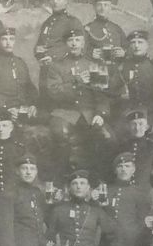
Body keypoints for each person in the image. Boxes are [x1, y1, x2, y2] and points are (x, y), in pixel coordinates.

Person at [42, 28, 118, 180]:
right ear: (65, 44)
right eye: (70, 40)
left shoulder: (94, 64)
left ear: (83, 43)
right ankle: (63, 177)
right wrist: (76, 82)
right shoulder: (56, 66)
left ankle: (101, 178)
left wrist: (100, 114)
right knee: (60, 133)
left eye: (77, 40)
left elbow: (102, 95)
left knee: (108, 137)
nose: (74, 43)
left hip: (89, 112)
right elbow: (54, 92)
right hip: (64, 112)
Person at [116, 30, 153, 157]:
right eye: (133, 42)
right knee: (116, 140)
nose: (136, 46)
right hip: (129, 114)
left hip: (151, 114)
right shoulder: (123, 66)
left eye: (140, 42)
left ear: (147, 45)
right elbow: (114, 89)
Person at [0, 27, 39, 124]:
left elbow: (30, 87)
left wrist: (32, 104)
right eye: (4, 39)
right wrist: (6, 108)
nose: (8, 43)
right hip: (2, 111)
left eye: (11, 39)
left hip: (23, 110)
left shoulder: (20, 62)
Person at [84, 0, 126, 64]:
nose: (102, 8)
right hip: (96, 69)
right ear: (94, 7)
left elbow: (127, 47)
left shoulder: (116, 28)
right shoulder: (87, 28)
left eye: (106, 5)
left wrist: (124, 52)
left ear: (110, 8)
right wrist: (90, 53)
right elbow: (80, 49)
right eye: (99, 5)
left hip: (116, 70)